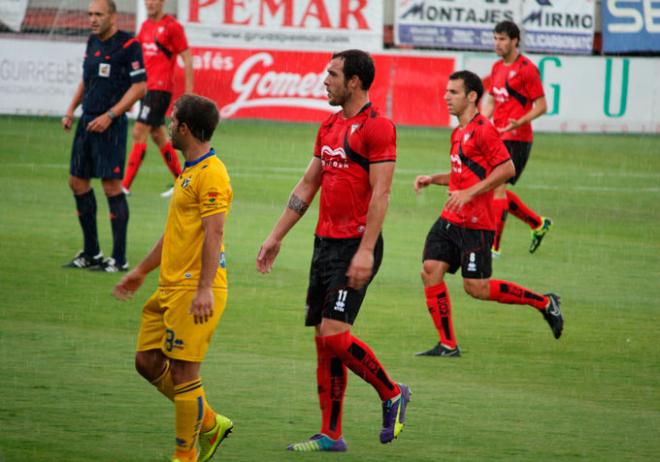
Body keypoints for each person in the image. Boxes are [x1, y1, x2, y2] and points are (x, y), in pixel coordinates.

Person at [257, 49, 410, 452]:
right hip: (324, 245)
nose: (325, 80)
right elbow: (308, 185)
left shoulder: (379, 127)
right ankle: (332, 434)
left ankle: (392, 393)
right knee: (324, 340)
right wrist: (276, 235)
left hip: (356, 247)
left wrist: (366, 249)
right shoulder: (327, 125)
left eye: (333, 74)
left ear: (354, 81)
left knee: (337, 337)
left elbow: (382, 193)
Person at [112, 94, 234, 462]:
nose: (166, 125)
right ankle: (210, 423)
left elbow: (214, 234)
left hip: (194, 287)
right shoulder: (190, 171)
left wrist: (203, 291)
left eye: (172, 119)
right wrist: (139, 271)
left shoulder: (212, 174)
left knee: (184, 373)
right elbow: (175, 233)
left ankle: (185, 457)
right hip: (169, 286)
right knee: (146, 362)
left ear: (184, 128)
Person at [414, 70, 563, 357]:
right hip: (450, 219)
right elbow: (462, 176)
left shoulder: (483, 129)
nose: (446, 97)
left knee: (477, 288)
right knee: (430, 270)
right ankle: (447, 344)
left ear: (471, 97)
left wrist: (470, 193)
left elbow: (507, 169)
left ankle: (544, 302)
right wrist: (433, 179)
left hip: (476, 224)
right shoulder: (458, 133)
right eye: (446, 91)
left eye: (453, 92)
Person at [62, 0, 147, 272]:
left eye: (98, 14)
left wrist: (111, 115)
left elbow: (140, 87)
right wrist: (71, 110)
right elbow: (87, 80)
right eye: (89, 14)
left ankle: (119, 258)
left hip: (110, 126)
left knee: (111, 186)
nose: (92, 19)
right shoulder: (92, 42)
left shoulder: (129, 45)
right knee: (77, 182)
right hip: (87, 122)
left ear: (113, 16)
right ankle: (91, 252)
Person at [481, 20, 552, 257]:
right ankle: (537, 223)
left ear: (515, 41)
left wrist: (519, 121)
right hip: (498, 136)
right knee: (493, 188)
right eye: (495, 38)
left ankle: (493, 247)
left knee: (497, 187)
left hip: (518, 138)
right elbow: (492, 99)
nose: (497, 43)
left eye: (502, 39)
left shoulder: (527, 69)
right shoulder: (497, 67)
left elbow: (542, 106)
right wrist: (479, 123)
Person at [122, 0, 194, 197]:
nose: (150, 3)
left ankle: (124, 187)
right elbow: (138, 61)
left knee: (139, 131)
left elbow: (187, 57)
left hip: (160, 89)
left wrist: (189, 92)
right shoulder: (145, 27)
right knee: (159, 136)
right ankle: (182, 181)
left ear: (162, 2)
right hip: (145, 89)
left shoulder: (172, 27)